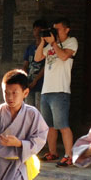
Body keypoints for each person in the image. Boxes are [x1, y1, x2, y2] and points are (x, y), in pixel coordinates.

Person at [34, 17, 78, 167]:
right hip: (47, 90)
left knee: (62, 125)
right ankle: (52, 152)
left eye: (58, 29)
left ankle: (69, 155)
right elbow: (38, 57)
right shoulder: (50, 45)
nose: (55, 31)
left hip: (60, 90)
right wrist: (42, 42)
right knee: (49, 126)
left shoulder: (71, 42)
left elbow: (64, 56)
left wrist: (53, 43)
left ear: (67, 29)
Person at [22, 19, 47, 109]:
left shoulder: (47, 47)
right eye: (35, 30)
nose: (36, 32)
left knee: (39, 108)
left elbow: (45, 67)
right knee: (28, 108)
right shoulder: (30, 48)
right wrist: (26, 78)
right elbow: (25, 64)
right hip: (29, 82)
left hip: (41, 83)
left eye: (39, 30)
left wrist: (35, 80)